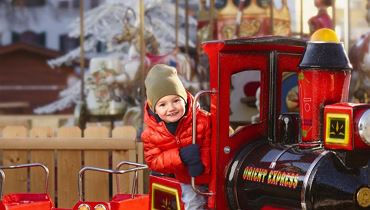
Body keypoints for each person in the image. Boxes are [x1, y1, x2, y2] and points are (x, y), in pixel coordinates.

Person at [141, 64, 211, 210]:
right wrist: (180, 156)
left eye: (176, 101)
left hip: (211, 175)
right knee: (194, 203)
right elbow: (153, 160)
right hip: (185, 179)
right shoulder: (151, 134)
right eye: (162, 104)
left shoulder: (202, 120)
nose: (171, 108)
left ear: (185, 99)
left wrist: (201, 162)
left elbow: (211, 142)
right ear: (154, 108)